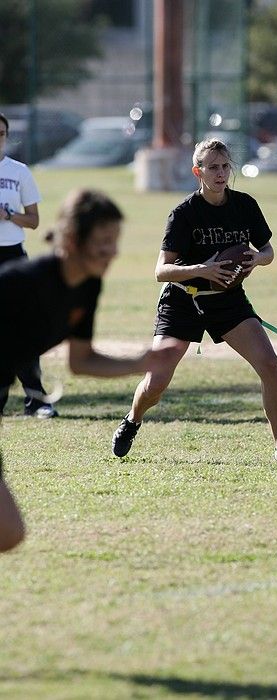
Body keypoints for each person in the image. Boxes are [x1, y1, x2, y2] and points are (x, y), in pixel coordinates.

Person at [112, 138, 277, 464]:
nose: (220, 173)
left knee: (270, 365)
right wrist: (202, 269)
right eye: (213, 167)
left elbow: (268, 251)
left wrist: (256, 260)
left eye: (225, 166)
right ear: (197, 171)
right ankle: (133, 420)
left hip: (228, 300)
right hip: (183, 301)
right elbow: (161, 271)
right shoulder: (184, 214)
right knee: (156, 383)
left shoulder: (245, 205)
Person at [0, 188, 166, 552]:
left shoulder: (87, 286)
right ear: (73, 240)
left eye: (115, 241)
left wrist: (141, 362)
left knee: (9, 533)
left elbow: (81, 361)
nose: (113, 252)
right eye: (103, 242)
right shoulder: (21, 283)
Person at [0, 111, 57, 418]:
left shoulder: (18, 171)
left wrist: (8, 215)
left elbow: (33, 221)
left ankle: (37, 400)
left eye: (1, 133)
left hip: (12, 256)